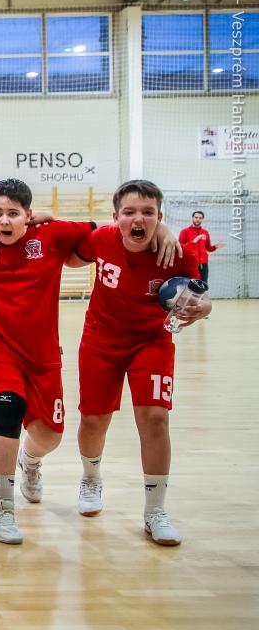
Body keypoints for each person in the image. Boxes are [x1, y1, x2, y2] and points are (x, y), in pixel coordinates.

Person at [0, 179, 177, 544]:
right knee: (6, 405)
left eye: (13, 214)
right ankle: (0, 508)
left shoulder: (53, 235)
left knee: (50, 435)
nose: (4, 221)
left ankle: (30, 461)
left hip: (42, 354)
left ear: (28, 215)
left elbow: (111, 230)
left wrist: (162, 228)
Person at [70, 180, 209, 546]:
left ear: (160, 217)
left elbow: (200, 295)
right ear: (115, 216)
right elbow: (68, 256)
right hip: (100, 339)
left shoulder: (176, 253)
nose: (139, 219)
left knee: (156, 419)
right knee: (94, 419)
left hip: (152, 341)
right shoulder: (101, 240)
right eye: (129, 212)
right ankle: (91, 478)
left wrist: (202, 307)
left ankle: (155, 511)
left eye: (148, 213)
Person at [178, 210, 219, 286]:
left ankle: (203, 294)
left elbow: (208, 247)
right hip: (191, 263)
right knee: (191, 285)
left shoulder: (205, 232)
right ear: (192, 218)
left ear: (202, 219)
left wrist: (215, 247)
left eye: (200, 218)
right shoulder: (184, 231)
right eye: (196, 217)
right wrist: (194, 241)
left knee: (203, 284)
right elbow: (181, 247)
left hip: (203, 264)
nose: (198, 219)